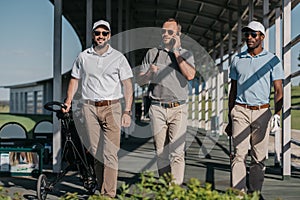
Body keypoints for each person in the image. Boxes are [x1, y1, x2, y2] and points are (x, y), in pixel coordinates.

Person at [62, 19, 133, 198]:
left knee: (110, 153)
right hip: (89, 108)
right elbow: (74, 80)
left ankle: (108, 194)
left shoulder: (118, 58)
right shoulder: (83, 57)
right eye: (97, 33)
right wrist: (68, 101)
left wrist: (127, 111)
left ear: (109, 36)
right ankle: (101, 190)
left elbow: (127, 85)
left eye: (104, 33)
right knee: (96, 152)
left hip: (112, 108)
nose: (100, 36)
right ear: (93, 35)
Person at [226, 21, 284, 195]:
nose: (249, 38)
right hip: (240, 111)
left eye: (253, 34)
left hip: (262, 112)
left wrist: (277, 115)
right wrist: (230, 118)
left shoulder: (273, 60)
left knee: (258, 158)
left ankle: (254, 194)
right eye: (247, 34)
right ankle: (238, 194)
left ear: (262, 37)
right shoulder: (237, 60)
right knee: (238, 155)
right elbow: (233, 90)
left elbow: (279, 89)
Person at [137, 18, 196, 185]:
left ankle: (175, 191)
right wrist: (149, 73)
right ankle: (165, 188)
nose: (165, 34)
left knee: (177, 153)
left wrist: (176, 52)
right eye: (163, 31)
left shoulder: (186, 54)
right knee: (161, 152)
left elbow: (190, 75)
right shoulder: (152, 53)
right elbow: (140, 81)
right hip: (157, 108)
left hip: (178, 108)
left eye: (170, 32)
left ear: (178, 34)